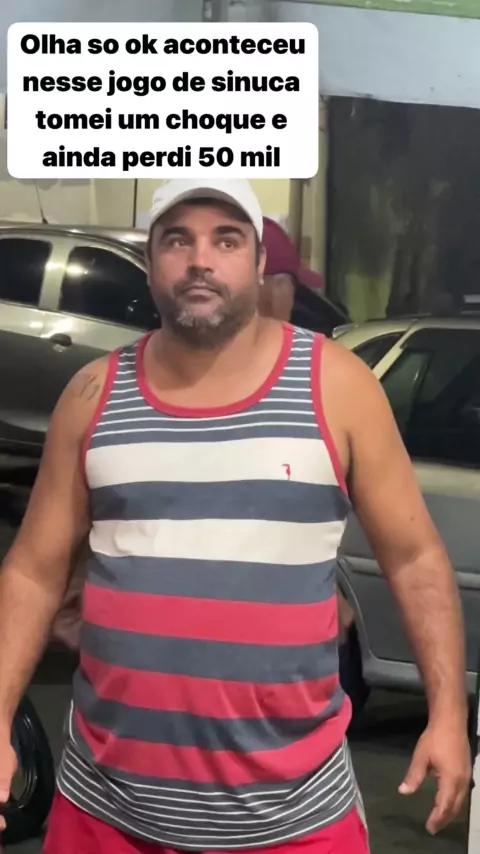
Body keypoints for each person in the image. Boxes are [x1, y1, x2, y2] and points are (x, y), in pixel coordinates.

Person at [0, 178, 470, 854]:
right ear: (150, 263)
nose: (200, 260)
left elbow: (415, 559)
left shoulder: (337, 386)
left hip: (294, 823)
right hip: (105, 815)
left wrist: (447, 716)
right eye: (177, 240)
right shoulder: (93, 394)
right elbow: (34, 570)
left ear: (258, 262)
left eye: (226, 240)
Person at [259, 216, 354, 641]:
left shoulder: (315, 370)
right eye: (290, 285)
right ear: (270, 288)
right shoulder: (308, 378)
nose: (294, 299)